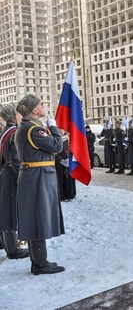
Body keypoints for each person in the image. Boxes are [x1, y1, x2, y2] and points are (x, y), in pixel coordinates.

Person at [15, 94, 65, 274]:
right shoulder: (35, 130)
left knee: (36, 218)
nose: (43, 106)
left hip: (33, 175)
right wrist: (53, 126)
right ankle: (40, 263)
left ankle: (38, 261)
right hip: (38, 177)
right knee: (38, 218)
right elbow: (57, 146)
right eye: (40, 104)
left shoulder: (27, 127)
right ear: (34, 110)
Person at [0, 103, 30, 260]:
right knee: (10, 214)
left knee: (6, 212)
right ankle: (13, 250)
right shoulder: (13, 133)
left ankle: (8, 245)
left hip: (5, 172)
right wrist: (23, 179)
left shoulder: (5, 131)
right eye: (18, 114)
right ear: (13, 116)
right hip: (11, 175)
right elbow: (16, 160)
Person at [55, 131, 76, 202]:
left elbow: (74, 149)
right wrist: (60, 160)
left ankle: (70, 194)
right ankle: (62, 196)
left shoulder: (70, 140)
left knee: (69, 180)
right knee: (60, 180)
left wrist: (70, 159)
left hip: (69, 162)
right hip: (59, 163)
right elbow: (54, 151)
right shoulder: (56, 139)